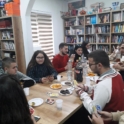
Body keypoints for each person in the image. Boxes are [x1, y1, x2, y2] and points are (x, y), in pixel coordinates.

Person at [75, 50, 124, 124]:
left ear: (99, 65)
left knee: (76, 116)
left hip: (105, 121)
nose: (89, 67)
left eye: (90, 64)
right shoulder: (117, 74)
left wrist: (81, 93)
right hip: (117, 115)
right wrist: (87, 88)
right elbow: (103, 89)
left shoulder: (103, 85)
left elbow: (94, 110)